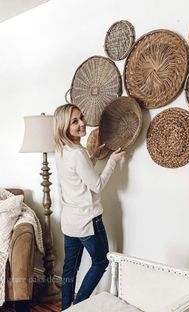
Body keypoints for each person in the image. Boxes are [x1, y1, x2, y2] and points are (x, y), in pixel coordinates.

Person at [53, 103, 125, 311]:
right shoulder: (77, 154)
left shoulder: (61, 150)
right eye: (74, 121)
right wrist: (112, 160)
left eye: (81, 117)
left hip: (69, 221)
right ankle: (77, 306)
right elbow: (97, 185)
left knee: (69, 269)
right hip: (87, 221)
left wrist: (92, 156)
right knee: (101, 262)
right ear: (64, 127)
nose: (82, 123)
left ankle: (66, 308)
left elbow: (77, 177)